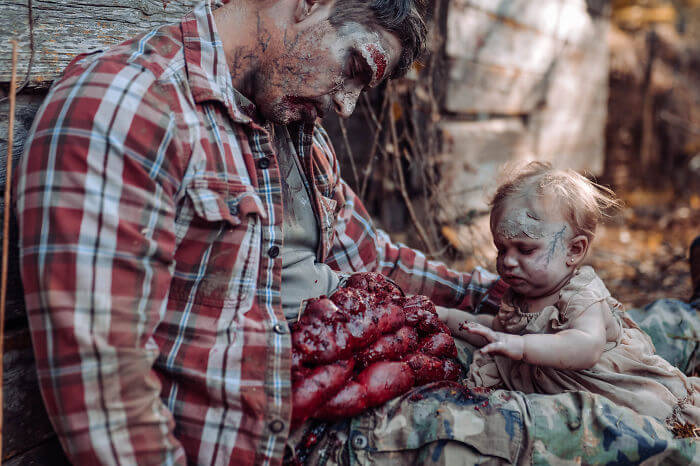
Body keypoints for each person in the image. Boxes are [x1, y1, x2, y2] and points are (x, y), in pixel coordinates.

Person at [13, 0, 700, 463]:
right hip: (307, 430)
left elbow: (374, 257)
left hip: (388, 361)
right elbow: (101, 375)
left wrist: (513, 296)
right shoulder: (127, 107)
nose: (345, 105)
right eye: (355, 69)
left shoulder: (295, 130)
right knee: (623, 431)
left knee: (643, 328)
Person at [452, 162, 700, 427]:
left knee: (656, 426)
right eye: (501, 249)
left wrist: (523, 346)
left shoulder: (581, 293)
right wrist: (446, 316)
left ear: (574, 250)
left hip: (609, 394)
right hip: (558, 404)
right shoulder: (518, 296)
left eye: (525, 250)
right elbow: (496, 331)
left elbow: (587, 346)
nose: (508, 261)